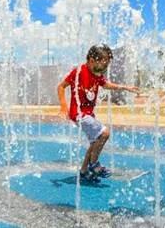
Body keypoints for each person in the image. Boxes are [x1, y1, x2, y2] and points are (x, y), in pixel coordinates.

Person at [57, 44, 139, 182]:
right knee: (104, 133)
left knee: (95, 142)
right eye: (103, 61)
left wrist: (124, 87)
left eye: (107, 61)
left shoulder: (97, 74)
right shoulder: (78, 72)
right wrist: (63, 106)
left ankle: (84, 170)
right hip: (78, 114)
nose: (106, 65)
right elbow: (61, 86)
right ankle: (94, 165)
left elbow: (106, 84)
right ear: (91, 60)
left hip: (88, 114)